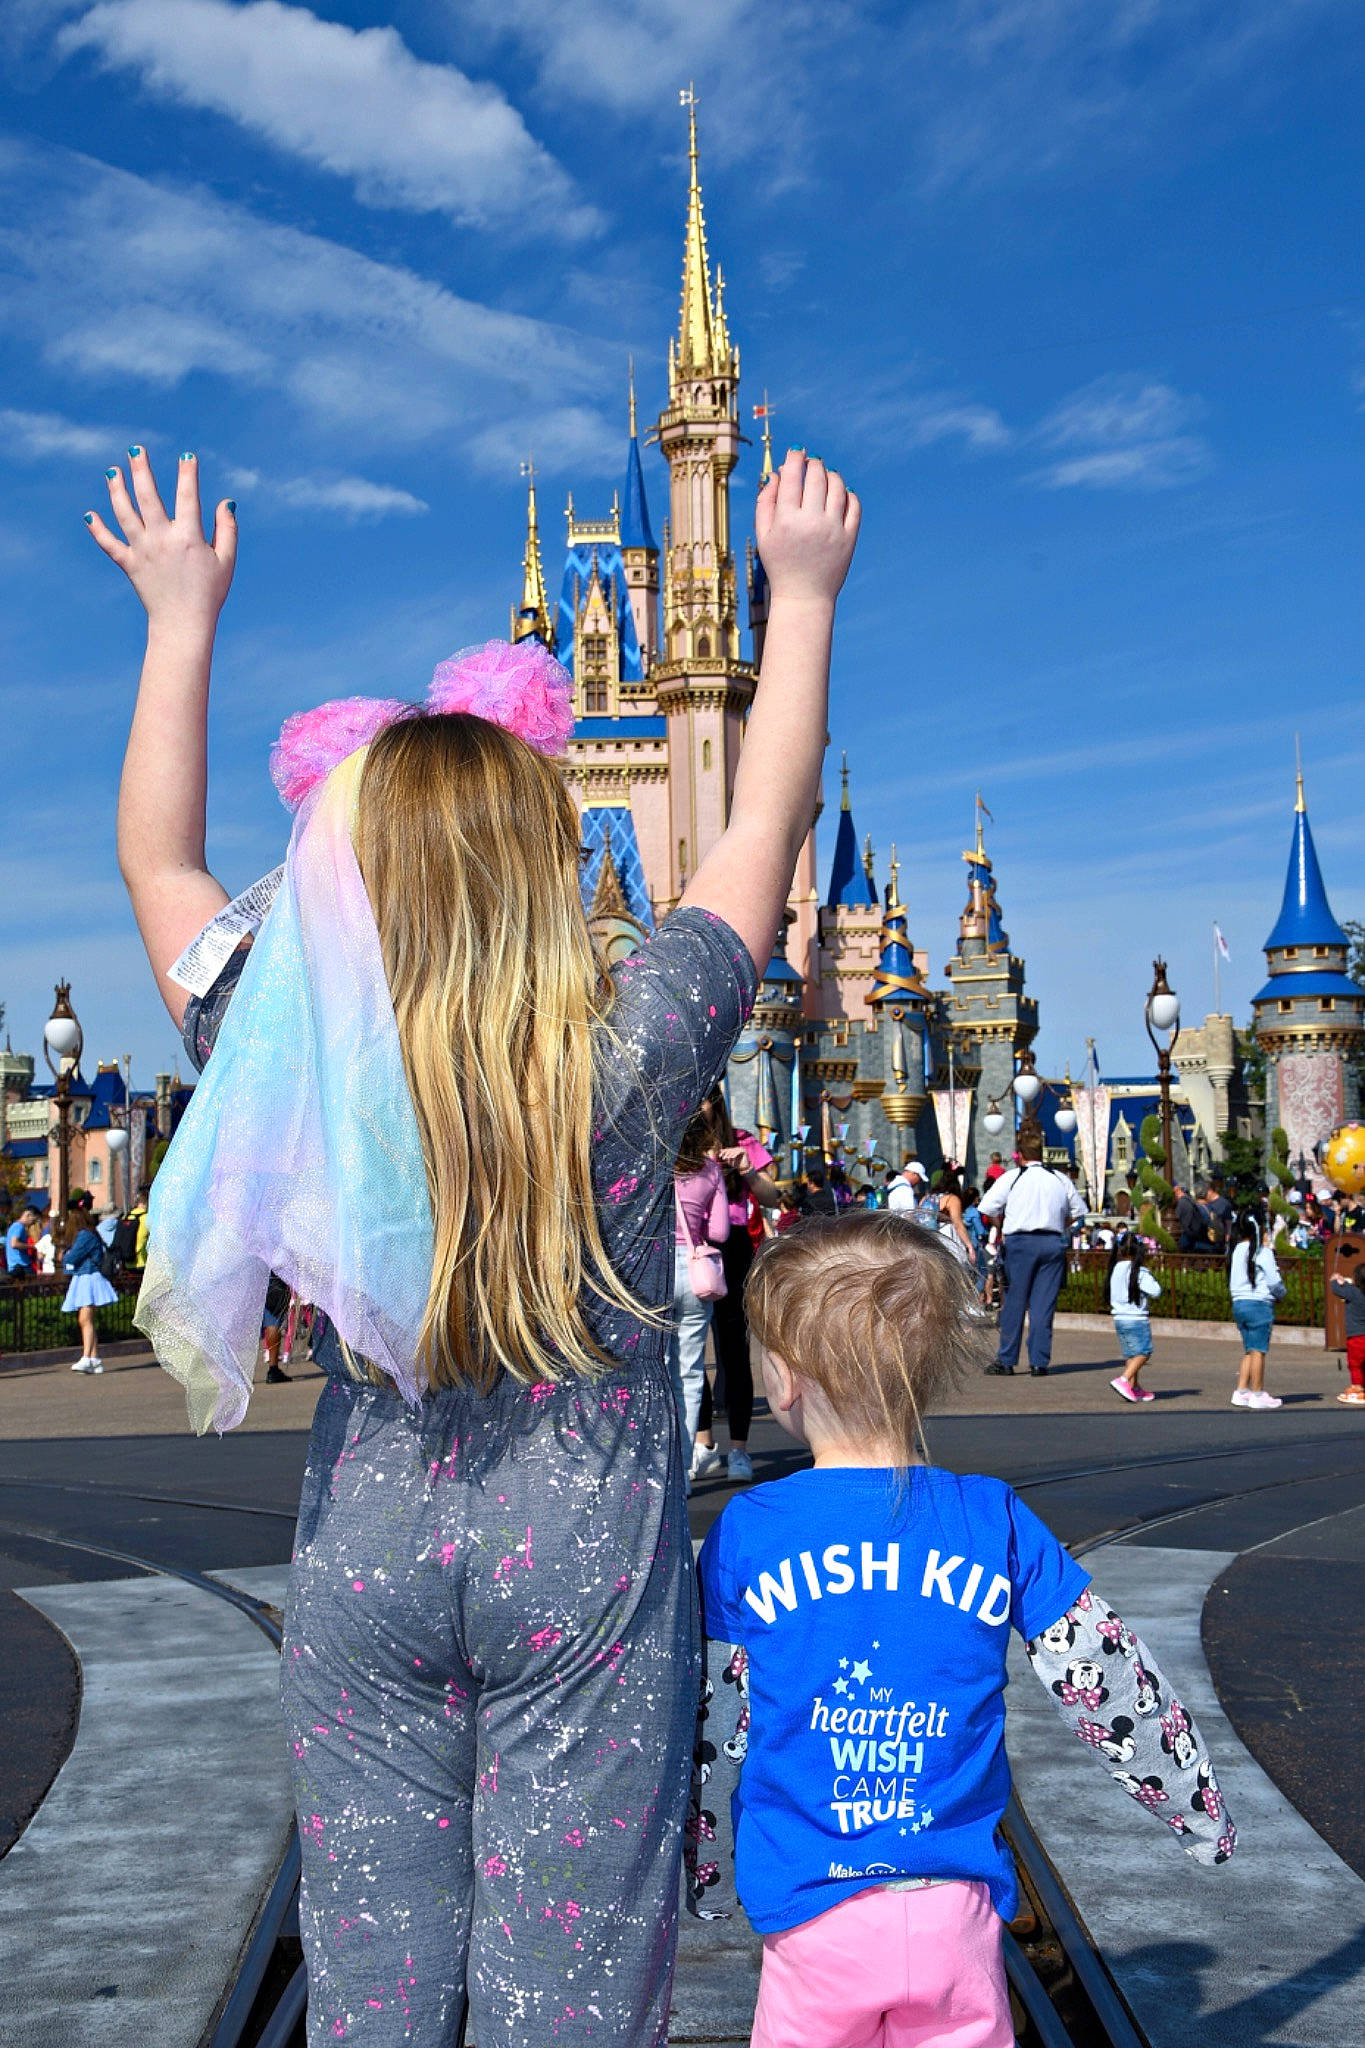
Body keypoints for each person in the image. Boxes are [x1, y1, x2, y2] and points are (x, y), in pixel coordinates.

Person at [95, 439, 859, 2046]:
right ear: (542, 864)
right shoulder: (629, 1057)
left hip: (368, 1560)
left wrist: (180, 618)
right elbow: (758, 839)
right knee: (568, 1999)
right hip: (583, 1576)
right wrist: (803, 598)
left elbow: (159, 865)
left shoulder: (293, 1052)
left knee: (374, 1990)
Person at [686, 1213, 1236, 2045]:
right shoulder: (992, 1519)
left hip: (809, 1907)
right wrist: (1195, 1808)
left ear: (784, 1379)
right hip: (957, 1910)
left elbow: (715, 1716)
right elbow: (1108, 1675)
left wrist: (708, 1867)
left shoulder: (750, 1531)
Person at [692, 1090, 782, 1485]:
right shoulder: (681, 1145)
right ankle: (704, 1444)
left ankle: (740, 1450)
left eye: (704, 1098)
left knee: (732, 1348)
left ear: (717, 1102)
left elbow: (772, 1196)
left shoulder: (743, 1139)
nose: (697, 1106)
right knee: (691, 1354)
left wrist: (746, 1168)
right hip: (692, 1246)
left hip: (733, 1248)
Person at [977, 1127, 1086, 1376]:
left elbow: (987, 1207)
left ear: (1020, 1155)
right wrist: (1060, 1224)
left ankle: (1007, 1360)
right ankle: (1039, 1361)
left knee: (1014, 1302)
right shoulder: (1059, 1178)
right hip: (1052, 1242)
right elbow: (1079, 1211)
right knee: (1042, 1305)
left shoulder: (1013, 1178)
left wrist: (1001, 1225)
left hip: (1020, 1243)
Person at [671, 1106, 731, 1464]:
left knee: (659, 1368)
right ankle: (684, 1467)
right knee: (690, 1372)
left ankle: (660, 1462)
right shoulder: (711, 1171)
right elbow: (720, 1232)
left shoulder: (654, 1168)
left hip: (655, 1272)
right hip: (695, 1275)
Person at [1227, 1209, 1284, 1410]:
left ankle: (1242, 1390)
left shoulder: (1236, 1250)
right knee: (1259, 1350)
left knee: (1249, 1349)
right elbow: (1274, 1281)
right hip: (1259, 1304)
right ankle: (1257, 1393)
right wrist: (1282, 1294)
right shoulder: (1263, 1251)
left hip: (1239, 1303)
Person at [62, 1194, 118, 1373]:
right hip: (87, 1276)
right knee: (88, 1320)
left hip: (89, 1277)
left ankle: (87, 1357)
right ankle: (94, 1359)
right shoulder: (89, 1233)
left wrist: (66, 1257)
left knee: (84, 1319)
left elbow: (72, 1257)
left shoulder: (85, 1235)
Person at [1107, 1230, 1161, 1403]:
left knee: (1131, 1355)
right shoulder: (1139, 1271)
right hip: (1136, 1319)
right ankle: (1123, 1380)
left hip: (1119, 1319)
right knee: (1144, 1352)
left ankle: (1134, 1387)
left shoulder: (1116, 1268)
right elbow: (1156, 1291)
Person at [1329, 1260, 1365, 1406]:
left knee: (1355, 1364)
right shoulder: (1354, 1290)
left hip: (1356, 1336)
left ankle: (1357, 1388)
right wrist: (1345, 1282)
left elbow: (1336, 1289)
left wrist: (1334, 1280)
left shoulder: (1352, 1292)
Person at [5, 1205, 39, 1280]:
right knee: (33, 1286)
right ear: (28, 1215)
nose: (33, 1224)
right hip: (21, 1265)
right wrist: (32, 1246)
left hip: (17, 1265)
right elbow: (14, 1244)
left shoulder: (15, 1226)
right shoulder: (19, 1226)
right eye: (33, 1221)